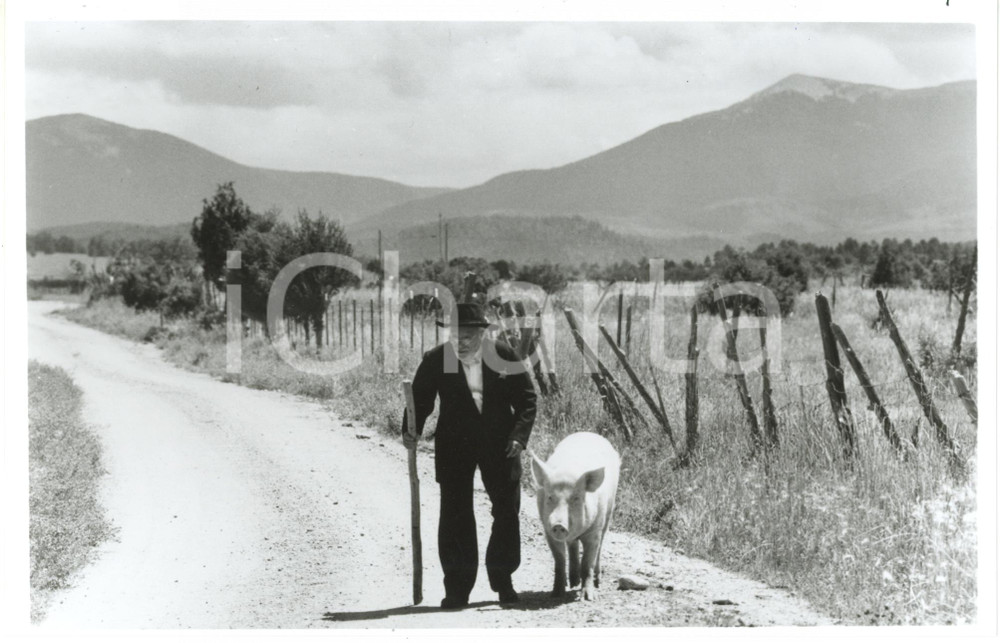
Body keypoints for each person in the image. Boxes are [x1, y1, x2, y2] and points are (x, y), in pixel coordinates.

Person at [402, 302, 537, 609]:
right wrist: (411, 430)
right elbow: (420, 400)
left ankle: (502, 579)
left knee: (506, 510)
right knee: (455, 514)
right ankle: (457, 589)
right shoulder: (437, 360)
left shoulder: (503, 354)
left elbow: (527, 400)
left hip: (500, 443)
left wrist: (519, 436)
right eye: (453, 335)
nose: (459, 342)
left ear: (481, 333)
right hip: (455, 444)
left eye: (465, 335)